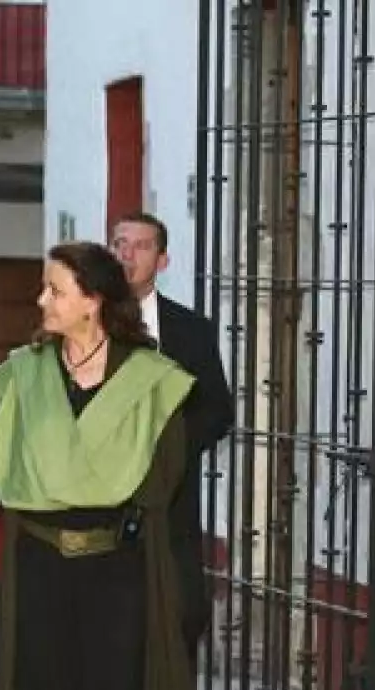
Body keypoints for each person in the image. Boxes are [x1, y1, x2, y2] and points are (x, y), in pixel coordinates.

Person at [0, 240, 217, 690]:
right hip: (41, 563)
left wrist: (105, 489)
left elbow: (164, 468)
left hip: (116, 566)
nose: (42, 301)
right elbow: (1, 462)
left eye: (55, 290)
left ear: (93, 301)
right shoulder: (27, 373)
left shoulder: (147, 377)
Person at [110, 212, 234, 663]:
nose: (126, 255)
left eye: (140, 246)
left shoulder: (190, 330)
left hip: (171, 500)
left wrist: (170, 447)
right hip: (99, 502)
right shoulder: (84, 326)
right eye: (119, 243)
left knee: (184, 611)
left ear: (162, 260)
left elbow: (217, 409)